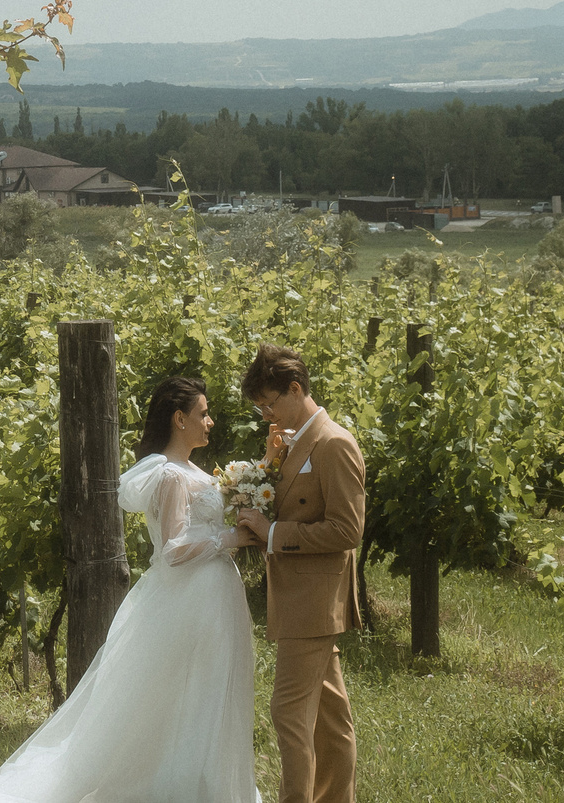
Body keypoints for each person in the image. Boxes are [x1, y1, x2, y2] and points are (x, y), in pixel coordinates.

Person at [0, 372, 259, 803]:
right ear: (179, 419)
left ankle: (208, 785)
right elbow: (173, 549)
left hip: (213, 599)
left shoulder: (197, 472)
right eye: (203, 414)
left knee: (208, 694)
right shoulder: (173, 476)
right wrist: (231, 539)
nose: (210, 422)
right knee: (177, 697)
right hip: (186, 601)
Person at [230, 344, 364, 803]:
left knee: (288, 714)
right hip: (298, 599)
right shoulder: (291, 440)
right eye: (260, 407)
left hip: (313, 602)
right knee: (330, 720)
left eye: (271, 402)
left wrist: (273, 534)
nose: (267, 414)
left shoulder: (334, 443)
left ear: (296, 388)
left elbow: (347, 530)